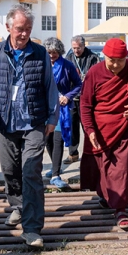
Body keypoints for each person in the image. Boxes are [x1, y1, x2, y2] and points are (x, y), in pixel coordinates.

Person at [0, 4, 59, 247]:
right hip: (4, 123)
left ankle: (32, 229)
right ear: (8, 27)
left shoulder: (40, 53)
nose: (24, 34)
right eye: (20, 28)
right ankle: (17, 205)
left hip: (34, 124)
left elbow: (51, 88)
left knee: (31, 171)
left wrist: (52, 119)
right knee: (10, 171)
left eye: (28, 29)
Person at [79, 38, 128, 229]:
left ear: (127, 58)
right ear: (104, 57)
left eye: (120, 60)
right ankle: (106, 196)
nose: (115, 65)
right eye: (111, 60)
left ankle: (120, 209)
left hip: (124, 128)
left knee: (121, 170)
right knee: (102, 168)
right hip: (99, 130)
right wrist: (89, 130)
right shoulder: (95, 72)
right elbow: (85, 104)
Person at [43, 37, 82, 188]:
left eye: (54, 52)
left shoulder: (67, 66)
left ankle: (55, 174)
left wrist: (68, 96)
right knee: (47, 139)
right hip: (46, 107)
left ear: (60, 51)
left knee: (57, 140)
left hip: (62, 108)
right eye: (49, 52)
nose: (52, 55)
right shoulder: (42, 65)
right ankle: (54, 166)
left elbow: (79, 84)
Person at [65, 35, 100, 163]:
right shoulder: (68, 58)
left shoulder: (93, 58)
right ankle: (73, 153)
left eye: (78, 48)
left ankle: (90, 152)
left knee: (88, 127)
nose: (76, 51)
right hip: (72, 99)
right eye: (73, 48)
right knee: (72, 127)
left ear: (84, 46)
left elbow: (97, 75)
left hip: (88, 99)